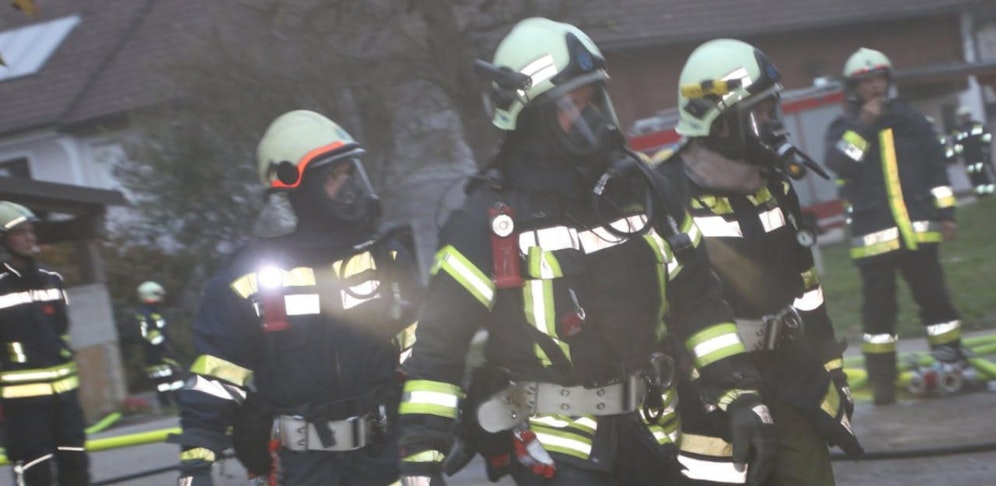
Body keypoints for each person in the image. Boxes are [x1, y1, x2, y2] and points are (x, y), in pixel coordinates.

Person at [397, 17, 776, 486]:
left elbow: (701, 303)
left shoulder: (643, 189)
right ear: (530, 116)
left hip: (654, 435)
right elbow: (439, 347)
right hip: (555, 450)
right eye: (572, 106)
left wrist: (740, 395)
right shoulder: (488, 220)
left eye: (593, 99)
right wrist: (421, 456)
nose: (591, 118)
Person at [173, 109, 423, 485]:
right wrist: (197, 460)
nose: (349, 188)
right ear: (295, 186)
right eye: (334, 177)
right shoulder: (248, 273)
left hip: (386, 458)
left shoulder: (382, 258)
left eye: (349, 173)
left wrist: (433, 430)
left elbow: (424, 351)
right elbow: (217, 374)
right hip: (303, 467)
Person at [654, 38, 863, 485]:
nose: (772, 124)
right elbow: (662, 311)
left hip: (793, 380)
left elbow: (807, 290)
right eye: (760, 112)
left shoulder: (775, 186)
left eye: (772, 110)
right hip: (712, 399)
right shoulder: (663, 194)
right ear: (722, 119)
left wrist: (832, 369)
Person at [823, 47, 965, 406]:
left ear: (888, 81)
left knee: (935, 301)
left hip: (919, 231)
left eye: (879, 78)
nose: (874, 86)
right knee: (879, 312)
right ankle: (882, 381)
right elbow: (842, 165)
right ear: (853, 88)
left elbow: (937, 170)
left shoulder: (913, 121)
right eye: (866, 81)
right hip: (874, 240)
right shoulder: (845, 128)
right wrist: (864, 126)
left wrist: (946, 213)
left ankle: (951, 365)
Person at [0, 201, 89, 485]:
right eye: (20, 232)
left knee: (75, 466)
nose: (30, 238)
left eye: (31, 231)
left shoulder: (52, 280)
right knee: (35, 472)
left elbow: (61, 332)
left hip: (65, 400)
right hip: (22, 406)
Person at [132, 280, 183, 409]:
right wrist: (167, 351)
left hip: (154, 356)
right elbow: (154, 338)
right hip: (160, 355)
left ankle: (168, 405)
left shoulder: (148, 313)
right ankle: (177, 404)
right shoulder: (149, 315)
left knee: (164, 383)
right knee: (172, 381)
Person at [952, 105, 995, 196]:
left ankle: (989, 194)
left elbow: (987, 136)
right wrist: (959, 155)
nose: (965, 118)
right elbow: (956, 144)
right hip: (968, 158)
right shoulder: (957, 130)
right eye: (963, 116)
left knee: (984, 175)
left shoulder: (978, 125)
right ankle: (980, 195)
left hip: (980, 155)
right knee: (974, 178)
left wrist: (985, 148)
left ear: (969, 115)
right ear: (960, 118)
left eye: (966, 115)